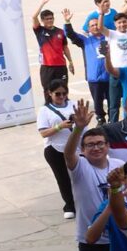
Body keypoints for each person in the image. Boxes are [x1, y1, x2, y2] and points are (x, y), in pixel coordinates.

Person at [65, 99, 125, 251]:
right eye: (90, 145)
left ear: (108, 146)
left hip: (121, 237)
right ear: (83, 149)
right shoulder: (79, 168)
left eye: (100, 143)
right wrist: (78, 128)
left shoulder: (120, 166)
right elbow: (68, 154)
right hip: (92, 241)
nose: (96, 148)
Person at [38, 79, 77, 218]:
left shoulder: (73, 105)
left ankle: (82, 202)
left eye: (64, 93)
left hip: (75, 148)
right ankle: (69, 205)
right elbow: (43, 133)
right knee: (63, 178)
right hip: (55, 149)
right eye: (57, 94)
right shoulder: (44, 110)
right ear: (50, 93)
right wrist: (59, 126)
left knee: (80, 176)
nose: (61, 97)